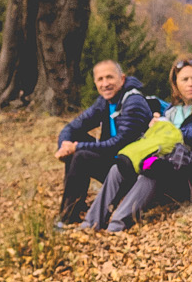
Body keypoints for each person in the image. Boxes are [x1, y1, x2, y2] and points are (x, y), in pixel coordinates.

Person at [83, 55, 192, 232]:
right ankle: (91, 223)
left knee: (153, 168)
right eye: (185, 79)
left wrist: (178, 132)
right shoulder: (172, 109)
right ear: (176, 84)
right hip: (169, 164)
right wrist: (154, 128)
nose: (190, 84)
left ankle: (117, 225)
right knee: (117, 169)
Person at [55, 59, 153, 228]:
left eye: (110, 77)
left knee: (81, 155)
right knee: (75, 140)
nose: (105, 83)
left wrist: (77, 147)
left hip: (131, 169)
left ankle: (67, 218)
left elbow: (118, 143)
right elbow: (73, 126)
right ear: (95, 82)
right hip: (115, 160)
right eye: (100, 79)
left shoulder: (133, 102)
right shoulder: (105, 101)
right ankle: (72, 209)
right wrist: (64, 146)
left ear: (122, 79)